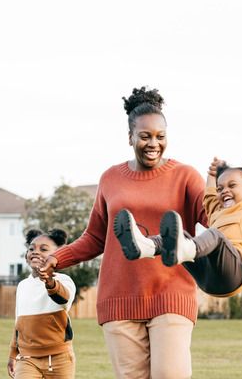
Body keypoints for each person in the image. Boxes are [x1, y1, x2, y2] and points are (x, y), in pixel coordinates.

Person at [40, 86, 207, 379]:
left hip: (171, 293)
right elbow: (94, 237)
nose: (153, 143)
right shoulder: (111, 179)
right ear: (130, 137)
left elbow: (213, 219)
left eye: (160, 136)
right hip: (120, 299)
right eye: (145, 136)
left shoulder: (186, 177)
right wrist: (57, 257)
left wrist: (235, 194)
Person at [114, 147, 242, 297]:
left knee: (213, 235)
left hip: (234, 276)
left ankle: (185, 249)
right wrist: (212, 174)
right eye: (221, 188)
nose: (224, 191)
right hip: (206, 279)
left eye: (232, 185)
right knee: (181, 236)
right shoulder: (217, 212)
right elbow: (209, 195)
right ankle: (145, 246)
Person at [8, 228, 76, 379]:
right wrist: (13, 353)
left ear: (57, 255)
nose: (35, 252)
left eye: (43, 249)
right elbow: (18, 323)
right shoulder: (23, 286)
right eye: (31, 248)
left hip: (60, 357)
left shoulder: (63, 281)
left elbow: (63, 298)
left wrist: (49, 282)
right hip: (28, 358)